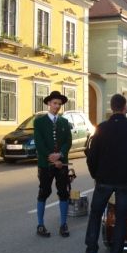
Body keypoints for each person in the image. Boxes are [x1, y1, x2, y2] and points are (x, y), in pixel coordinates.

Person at [84, 94, 127, 253]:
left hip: (103, 179)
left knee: (95, 214)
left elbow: (91, 156)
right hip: (125, 180)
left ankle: (91, 250)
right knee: (121, 217)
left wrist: (95, 174)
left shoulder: (101, 128)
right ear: (125, 108)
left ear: (112, 108)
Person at [34, 90, 72, 238]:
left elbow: (68, 142)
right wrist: (52, 159)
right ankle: (40, 224)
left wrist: (60, 156)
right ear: (49, 103)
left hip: (62, 165)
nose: (57, 106)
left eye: (59, 104)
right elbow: (39, 143)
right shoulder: (39, 122)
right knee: (43, 192)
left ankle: (63, 224)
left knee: (63, 192)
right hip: (46, 164)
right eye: (55, 103)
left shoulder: (64, 122)